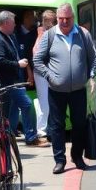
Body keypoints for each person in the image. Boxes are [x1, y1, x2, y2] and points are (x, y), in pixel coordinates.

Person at [33, 3, 96, 174]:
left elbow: (93, 58)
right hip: (56, 91)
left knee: (79, 125)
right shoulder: (50, 35)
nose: (64, 22)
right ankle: (59, 160)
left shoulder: (83, 34)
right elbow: (38, 61)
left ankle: (77, 156)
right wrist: (50, 77)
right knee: (57, 126)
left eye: (67, 19)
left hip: (78, 90)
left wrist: (91, 76)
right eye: (61, 19)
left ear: (73, 18)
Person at [0, 11, 48, 148]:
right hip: (3, 84)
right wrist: (17, 64)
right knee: (6, 112)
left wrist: (24, 68)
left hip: (14, 81)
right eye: (13, 22)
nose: (15, 24)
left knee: (24, 106)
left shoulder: (9, 36)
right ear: (6, 23)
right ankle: (8, 137)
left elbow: (16, 54)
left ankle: (26, 136)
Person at [15, 9, 43, 138]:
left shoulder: (35, 33)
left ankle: (30, 127)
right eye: (32, 17)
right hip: (22, 74)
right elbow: (24, 56)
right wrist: (29, 73)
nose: (35, 20)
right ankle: (26, 130)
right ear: (25, 18)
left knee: (30, 101)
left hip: (34, 73)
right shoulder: (16, 34)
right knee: (25, 103)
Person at [31, 9, 57, 141]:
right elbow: (36, 54)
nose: (50, 23)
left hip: (47, 71)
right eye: (48, 21)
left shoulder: (45, 33)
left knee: (47, 100)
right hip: (42, 72)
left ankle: (46, 128)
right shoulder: (43, 34)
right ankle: (42, 130)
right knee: (45, 102)